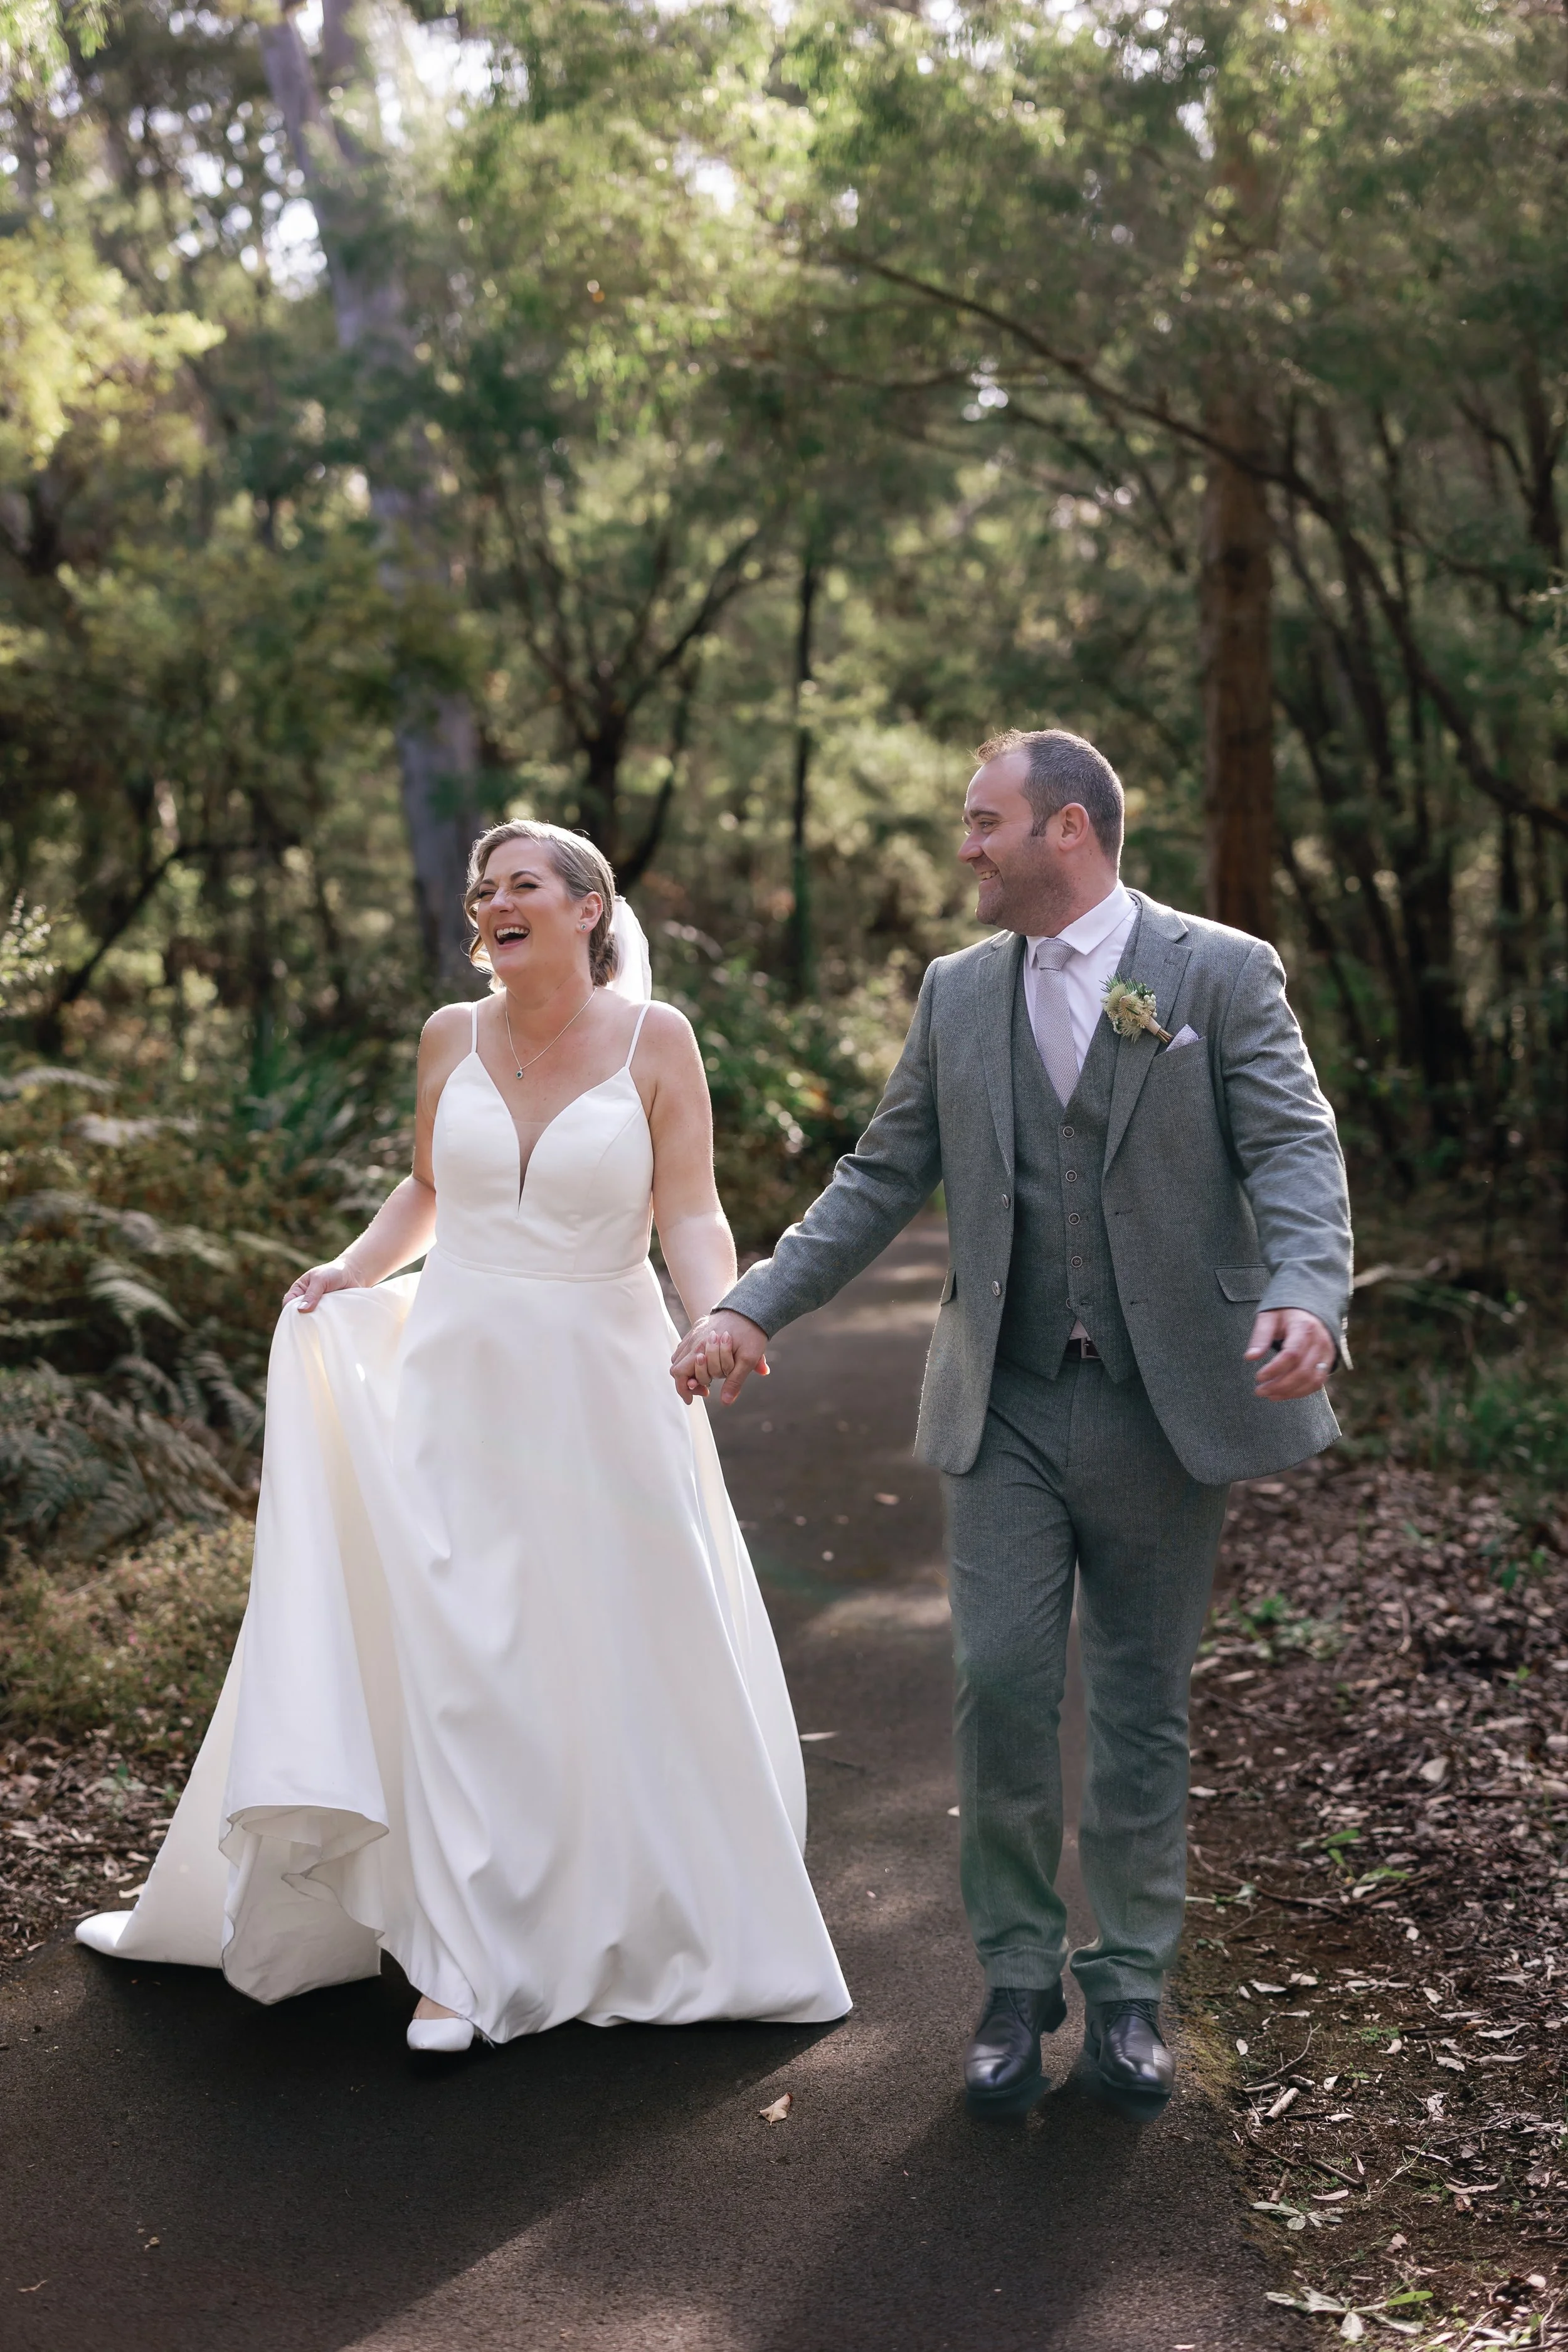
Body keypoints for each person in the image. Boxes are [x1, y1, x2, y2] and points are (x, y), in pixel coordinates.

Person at [77, 820, 849, 2052]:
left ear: (587, 909)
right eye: (482, 888)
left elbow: (689, 1209)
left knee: (598, 1649)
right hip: (455, 1376)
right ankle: (457, 1960)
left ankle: (627, 1912)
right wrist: (350, 1268)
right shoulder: (450, 1034)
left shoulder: (659, 1042)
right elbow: (429, 1188)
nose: (492, 902)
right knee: (462, 1659)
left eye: (521, 886)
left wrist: (720, 1319)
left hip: (602, 1381)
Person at [671, 729, 1350, 2112]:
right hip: (1008, 1403)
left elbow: (1291, 1144)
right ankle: (1013, 1975)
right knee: (998, 1688)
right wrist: (754, 1306)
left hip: (1168, 1406)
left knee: (1143, 1707)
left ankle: (1132, 1987)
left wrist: (1306, 1290)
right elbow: (880, 1171)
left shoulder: (1216, 972)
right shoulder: (956, 992)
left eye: (984, 822)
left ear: (1070, 833)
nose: (964, 847)